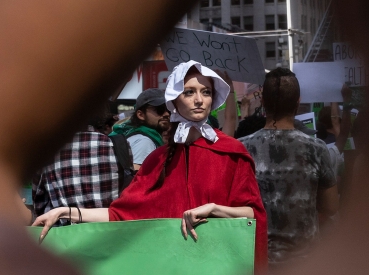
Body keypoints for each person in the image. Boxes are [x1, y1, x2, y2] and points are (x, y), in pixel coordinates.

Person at [0, 1, 197, 274]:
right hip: (112, 250)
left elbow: (39, 208)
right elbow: (126, 202)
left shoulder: (47, 155)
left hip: (60, 245)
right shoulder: (118, 145)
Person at [33, 60, 268, 275]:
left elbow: (253, 215)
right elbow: (120, 214)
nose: (199, 100)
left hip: (219, 266)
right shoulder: (157, 160)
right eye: (189, 92)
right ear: (174, 99)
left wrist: (214, 209)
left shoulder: (232, 153)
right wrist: (67, 212)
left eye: (206, 92)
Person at [239, 68, 339, 272]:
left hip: (255, 262)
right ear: (297, 102)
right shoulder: (316, 148)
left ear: (263, 102)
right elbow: (331, 207)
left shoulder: (241, 148)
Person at [32, 122, 123, 226]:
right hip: (114, 232)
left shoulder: (45, 152)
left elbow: (39, 204)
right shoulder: (118, 145)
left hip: (65, 236)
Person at [110, 88, 170, 170]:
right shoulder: (144, 142)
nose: (166, 114)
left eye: (169, 109)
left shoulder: (139, 135)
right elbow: (136, 178)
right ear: (141, 115)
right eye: (159, 110)